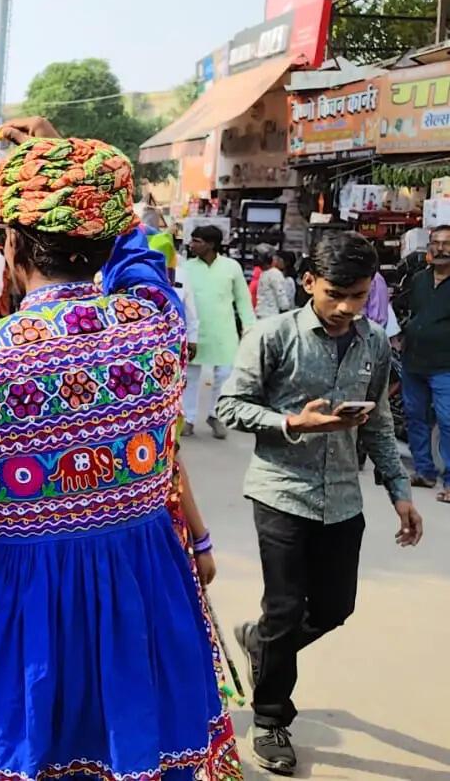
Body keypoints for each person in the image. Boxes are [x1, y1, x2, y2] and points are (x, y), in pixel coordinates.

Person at [0, 132, 239, 781]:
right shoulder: (157, 326)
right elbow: (142, 263)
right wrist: (108, 216)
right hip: (139, 601)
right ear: (105, 237)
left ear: (9, 246)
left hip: (15, 616)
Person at [217, 230, 423, 775]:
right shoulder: (272, 335)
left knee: (334, 608)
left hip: (342, 499)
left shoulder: (374, 342)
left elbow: (378, 422)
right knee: (285, 608)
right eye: (336, 293)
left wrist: (400, 493)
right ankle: (270, 719)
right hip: (280, 491)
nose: (346, 307)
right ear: (309, 283)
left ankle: (260, 641)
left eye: (358, 295)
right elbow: (231, 405)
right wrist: (291, 422)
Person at [181, 224, 253, 438]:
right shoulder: (186, 268)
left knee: (224, 375)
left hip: (224, 331)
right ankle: (188, 419)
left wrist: (250, 326)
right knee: (191, 376)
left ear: (211, 245)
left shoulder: (232, 267)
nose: (191, 245)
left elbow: (242, 299)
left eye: (197, 241)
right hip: (194, 331)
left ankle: (216, 415)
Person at [400, 224, 450, 500]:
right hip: (414, 361)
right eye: (436, 243)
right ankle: (424, 471)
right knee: (415, 417)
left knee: (448, 420)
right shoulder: (419, 280)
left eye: (446, 243)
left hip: (446, 365)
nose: (441, 248)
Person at [254, 246, 294, 321]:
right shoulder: (275, 273)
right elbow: (281, 294)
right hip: (272, 316)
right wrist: (286, 309)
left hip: (260, 313)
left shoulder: (263, 273)